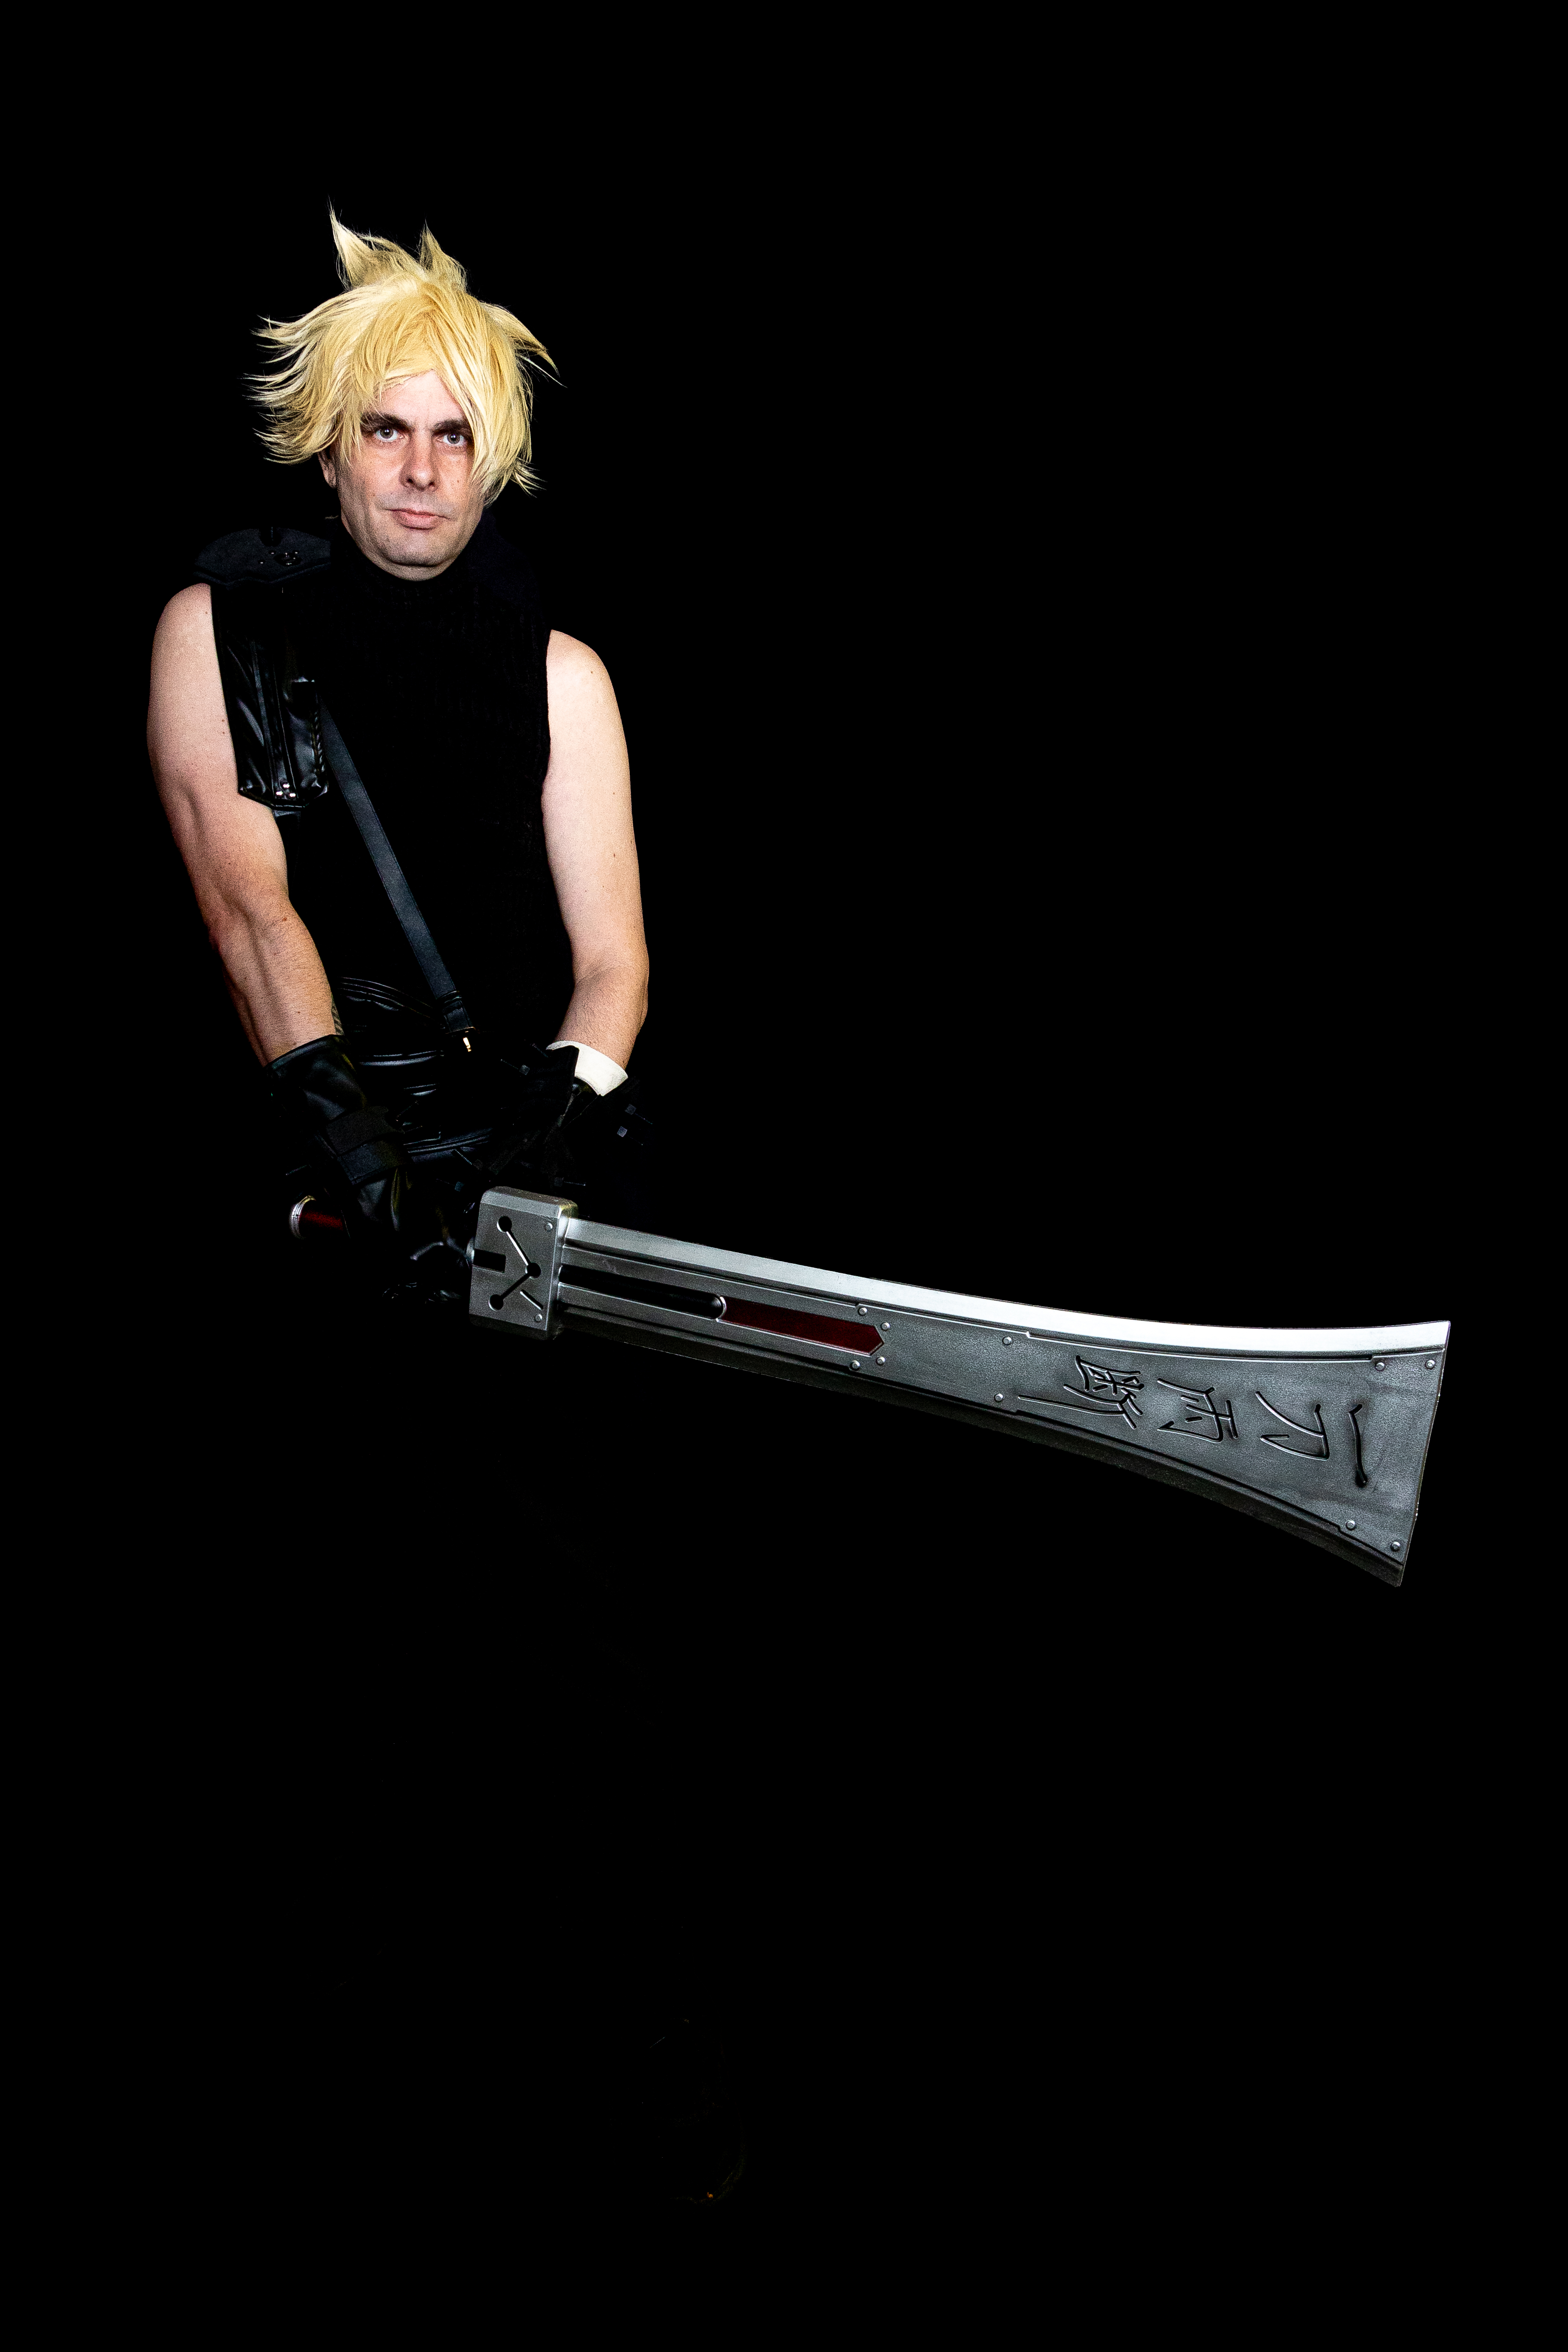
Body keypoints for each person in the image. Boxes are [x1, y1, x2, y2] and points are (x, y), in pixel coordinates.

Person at [148, 213, 654, 1300]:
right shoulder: (222, 631)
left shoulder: (566, 676)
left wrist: (539, 1155)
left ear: (491, 462)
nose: (422, 469)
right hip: (318, 1184)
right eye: (386, 429)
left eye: (454, 435)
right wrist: (373, 1175)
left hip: (519, 1188)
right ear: (330, 450)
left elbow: (615, 966)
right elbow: (247, 913)